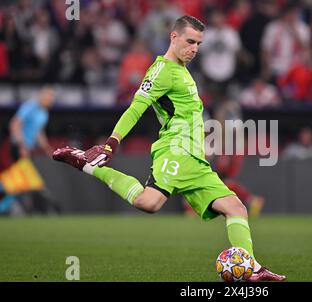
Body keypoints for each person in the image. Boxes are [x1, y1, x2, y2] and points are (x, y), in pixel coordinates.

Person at [53, 15, 285, 282]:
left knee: (236, 208)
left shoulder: (183, 70)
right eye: (190, 41)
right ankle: (88, 165)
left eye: (198, 43)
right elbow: (135, 108)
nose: (194, 48)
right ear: (173, 37)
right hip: (175, 150)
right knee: (149, 203)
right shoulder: (161, 71)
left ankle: (251, 269)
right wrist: (111, 143)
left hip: (195, 159)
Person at [7, 85, 60, 214]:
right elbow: (14, 124)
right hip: (18, 148)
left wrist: (47, 149)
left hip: (27, 149)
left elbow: (39, 133)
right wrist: (21, 145)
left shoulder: (44, 113)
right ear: (41, 96)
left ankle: (24, 208)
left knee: (23, 178)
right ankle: (19, 207)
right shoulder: (30, 106)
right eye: (49, 97)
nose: (51, 101)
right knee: (26, 178)